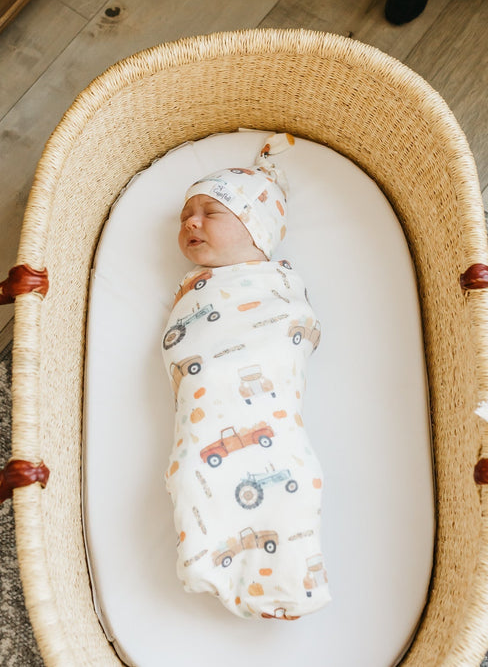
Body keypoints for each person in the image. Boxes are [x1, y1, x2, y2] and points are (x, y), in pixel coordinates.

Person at [161, 133, 330, 620]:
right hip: (204, 405)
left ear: (256, 228)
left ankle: (293, 580)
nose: (191, 222)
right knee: (190, 471)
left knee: (290, 475)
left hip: (267, 410)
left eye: (211, 212)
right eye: (185, 216)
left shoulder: (276, 280)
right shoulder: (192, 286)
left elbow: (298, 328)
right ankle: (210, 562)